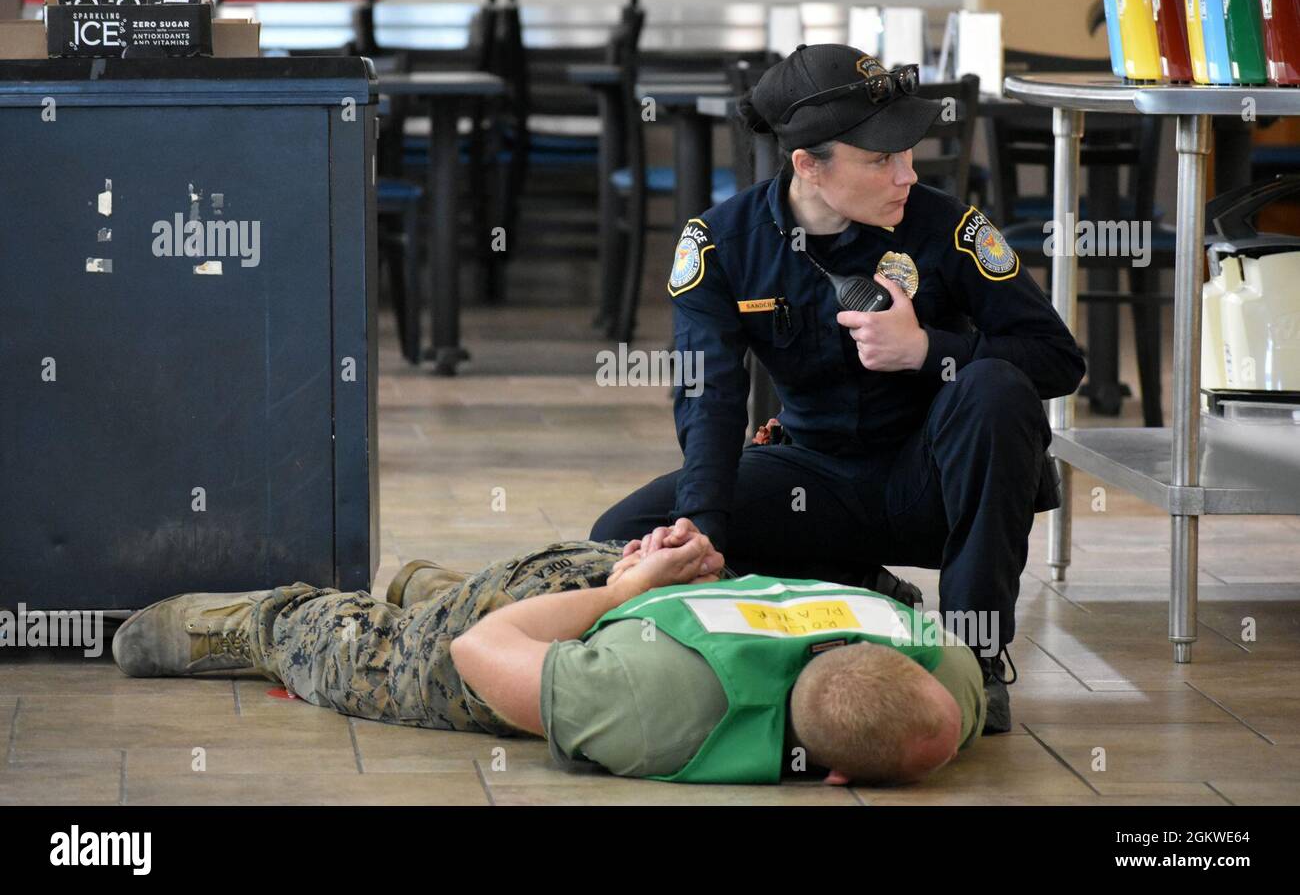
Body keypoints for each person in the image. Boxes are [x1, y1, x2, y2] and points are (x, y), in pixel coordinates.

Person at [589, 44, 1087, 734]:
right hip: (814, 475)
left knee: (996, 387)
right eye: (880, 160)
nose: (906, 175)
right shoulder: (720, 244)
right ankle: (847, 581)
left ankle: (975, 656)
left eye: (908, 153)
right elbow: (710, 395)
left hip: (938, 483)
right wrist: (700, 528)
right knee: (620, 538)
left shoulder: (947, 227)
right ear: (807, 167)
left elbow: (1059, 361)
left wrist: (929, 351)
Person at [112, 519, 986, 786]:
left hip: (642, 582)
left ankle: (440, 582)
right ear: (831, 777)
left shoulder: (946, 666)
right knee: (393, 666)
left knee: (470, 609)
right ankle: (272, 621)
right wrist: (616, 595)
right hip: (584, 599)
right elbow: (477, 650)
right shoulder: (664, 709)